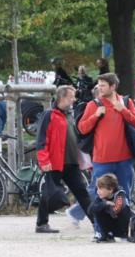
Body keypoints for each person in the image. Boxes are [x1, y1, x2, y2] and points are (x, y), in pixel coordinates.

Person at [70, 73, 135, 224]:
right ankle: (92, 220)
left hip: (124, 158)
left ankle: (124, 223)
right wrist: (95, 116)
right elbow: (82, 129)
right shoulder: (93, 105)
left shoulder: (126, 102)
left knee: (124, 193)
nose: (99, 88)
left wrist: (123, 110)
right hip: (102, 159)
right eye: (99, 85)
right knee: (97, 193)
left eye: (103, 85)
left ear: (113, 86)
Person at [34, 85, 93, 233]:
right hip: (55, 162)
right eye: (71, 96)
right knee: (48, 193)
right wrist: (44, 160)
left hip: (72, 162)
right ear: (62, 98)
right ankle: (41, 224)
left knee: (82, 193)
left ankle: (97, 222)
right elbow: (41, 140)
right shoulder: (49, 115)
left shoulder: (69, 115)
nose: (74, 99)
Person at [88, 173, 133, 243]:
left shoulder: (120, 195)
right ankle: (107, 235)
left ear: (110, 190)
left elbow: (116, 211)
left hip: (124, 225)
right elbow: (90, 210)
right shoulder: (101, 198)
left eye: (101, 189)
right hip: (112, 226)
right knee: (98, 209)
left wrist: (109, 207)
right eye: (97, 189)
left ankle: (125, 234)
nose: (98, 191)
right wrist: (105, 204)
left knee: (124, 210)